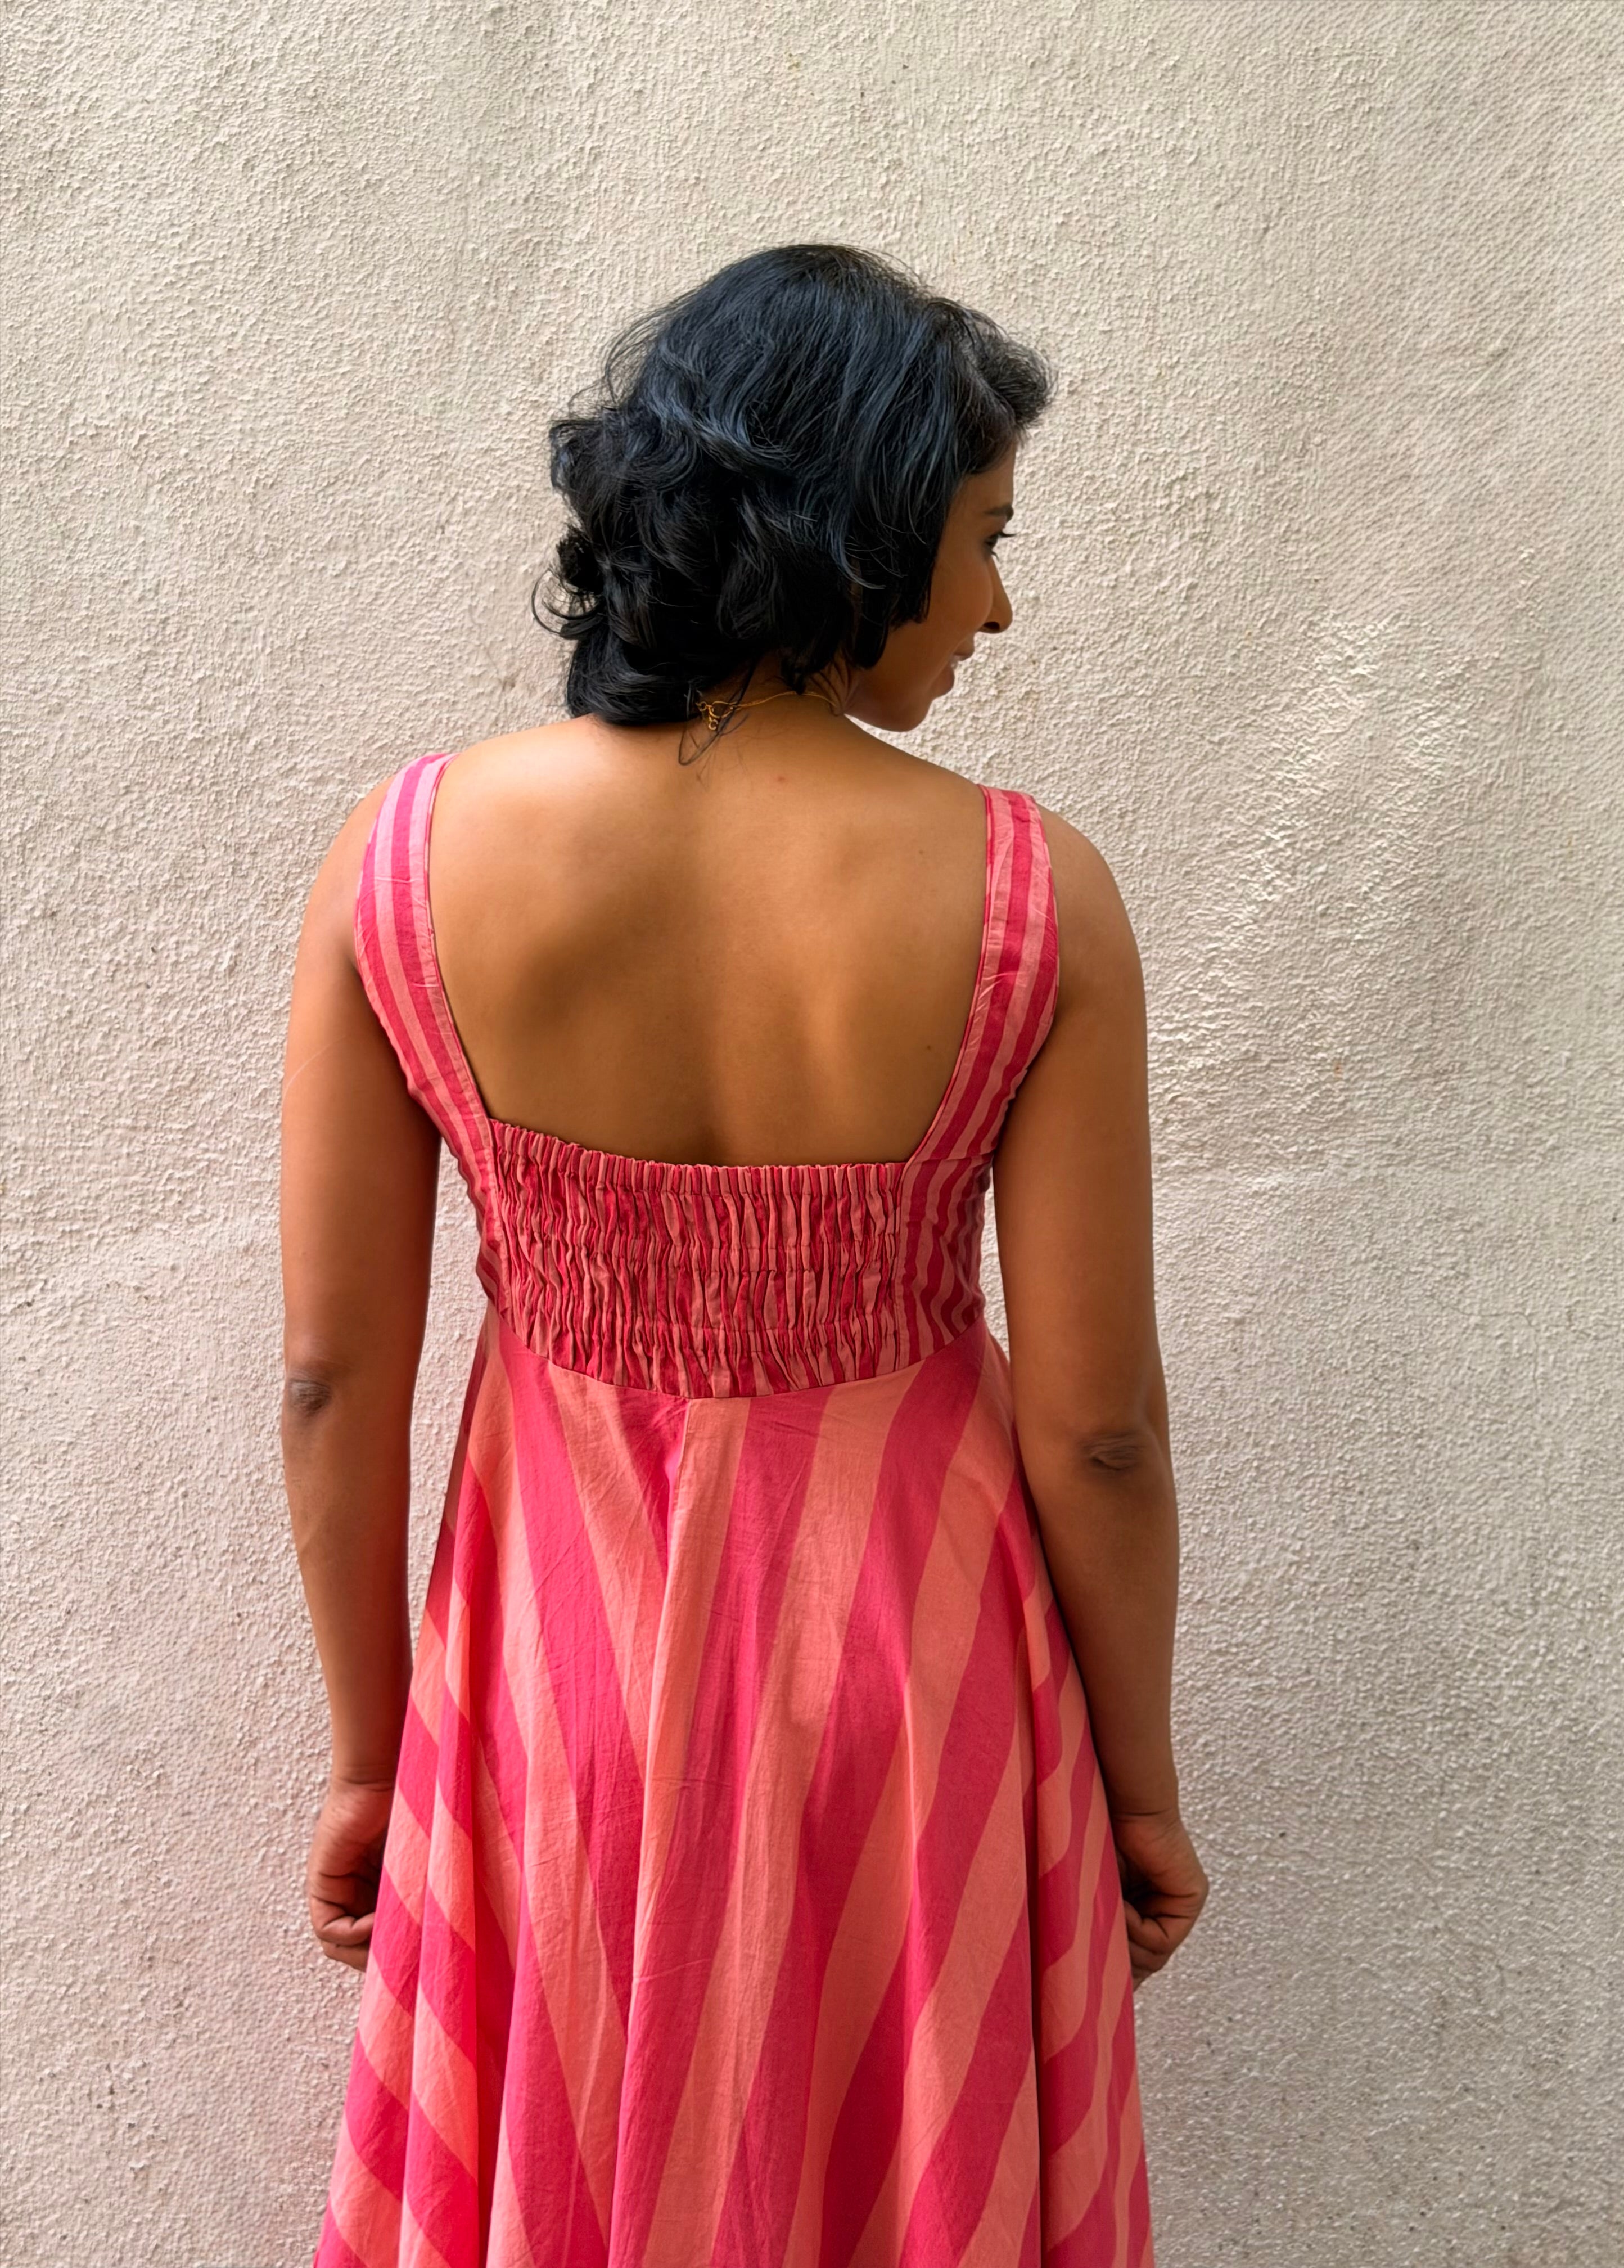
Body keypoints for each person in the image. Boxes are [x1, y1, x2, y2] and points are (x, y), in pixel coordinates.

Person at [281, 242, 1207, 2268]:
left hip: (546, 1703)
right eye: (981, 541)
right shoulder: (1032, 896)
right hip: (918, 1704)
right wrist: (1138, 1787)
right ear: (861, 522)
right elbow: (1101, 1432)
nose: (997, 608)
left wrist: (371, 1752)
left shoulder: (402, 860)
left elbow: (334, 1381)